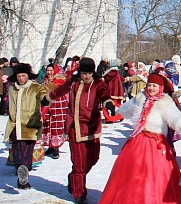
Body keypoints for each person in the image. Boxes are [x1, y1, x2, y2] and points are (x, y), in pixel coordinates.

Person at [100, 73, 181, 204]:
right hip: (138, 140)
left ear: (160, 87)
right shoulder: (141, 97)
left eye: (154, 86)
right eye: (149, 85)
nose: (151, 88)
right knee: (133, 172)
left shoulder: (165, 101)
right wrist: (118, 110)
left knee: (154, 174)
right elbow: (128, 108)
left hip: (155, 143)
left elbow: (175, 116)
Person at [47, 57, 117, 204]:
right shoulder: (73, 82)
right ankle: (79, 195)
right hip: (75, 128)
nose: (86, 76)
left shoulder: (98, 83)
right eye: (84, 73)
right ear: (80, 72)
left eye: (89, 73)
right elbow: (60, 90)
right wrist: (48, 98)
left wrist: (108, 103)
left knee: (92, 159)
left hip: (91, 128)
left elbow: (104, 94)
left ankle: (74, 179)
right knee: (79, 164)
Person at [4, 63, 54, 189]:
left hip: (31, 125)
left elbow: (43, 95)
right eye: (19, 76)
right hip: (15, 125)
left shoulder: (35, 87)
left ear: (28, 76)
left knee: (28, 151)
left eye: (23, 75)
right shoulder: (12, 89)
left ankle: (24, 172)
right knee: (18, 149)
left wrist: (46, 99)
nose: (21, 78)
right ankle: (21, 170)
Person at [41, 63, 68, 159]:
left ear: (55, 71)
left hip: (58, 104)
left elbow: (54, 88)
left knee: (56, 126)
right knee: (47, 124)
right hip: (48, 106)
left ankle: (56, 148)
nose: (49, 72)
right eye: (48, 70)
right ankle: (50, 146)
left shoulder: (59, 79)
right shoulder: (45, 80)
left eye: (51, 70)